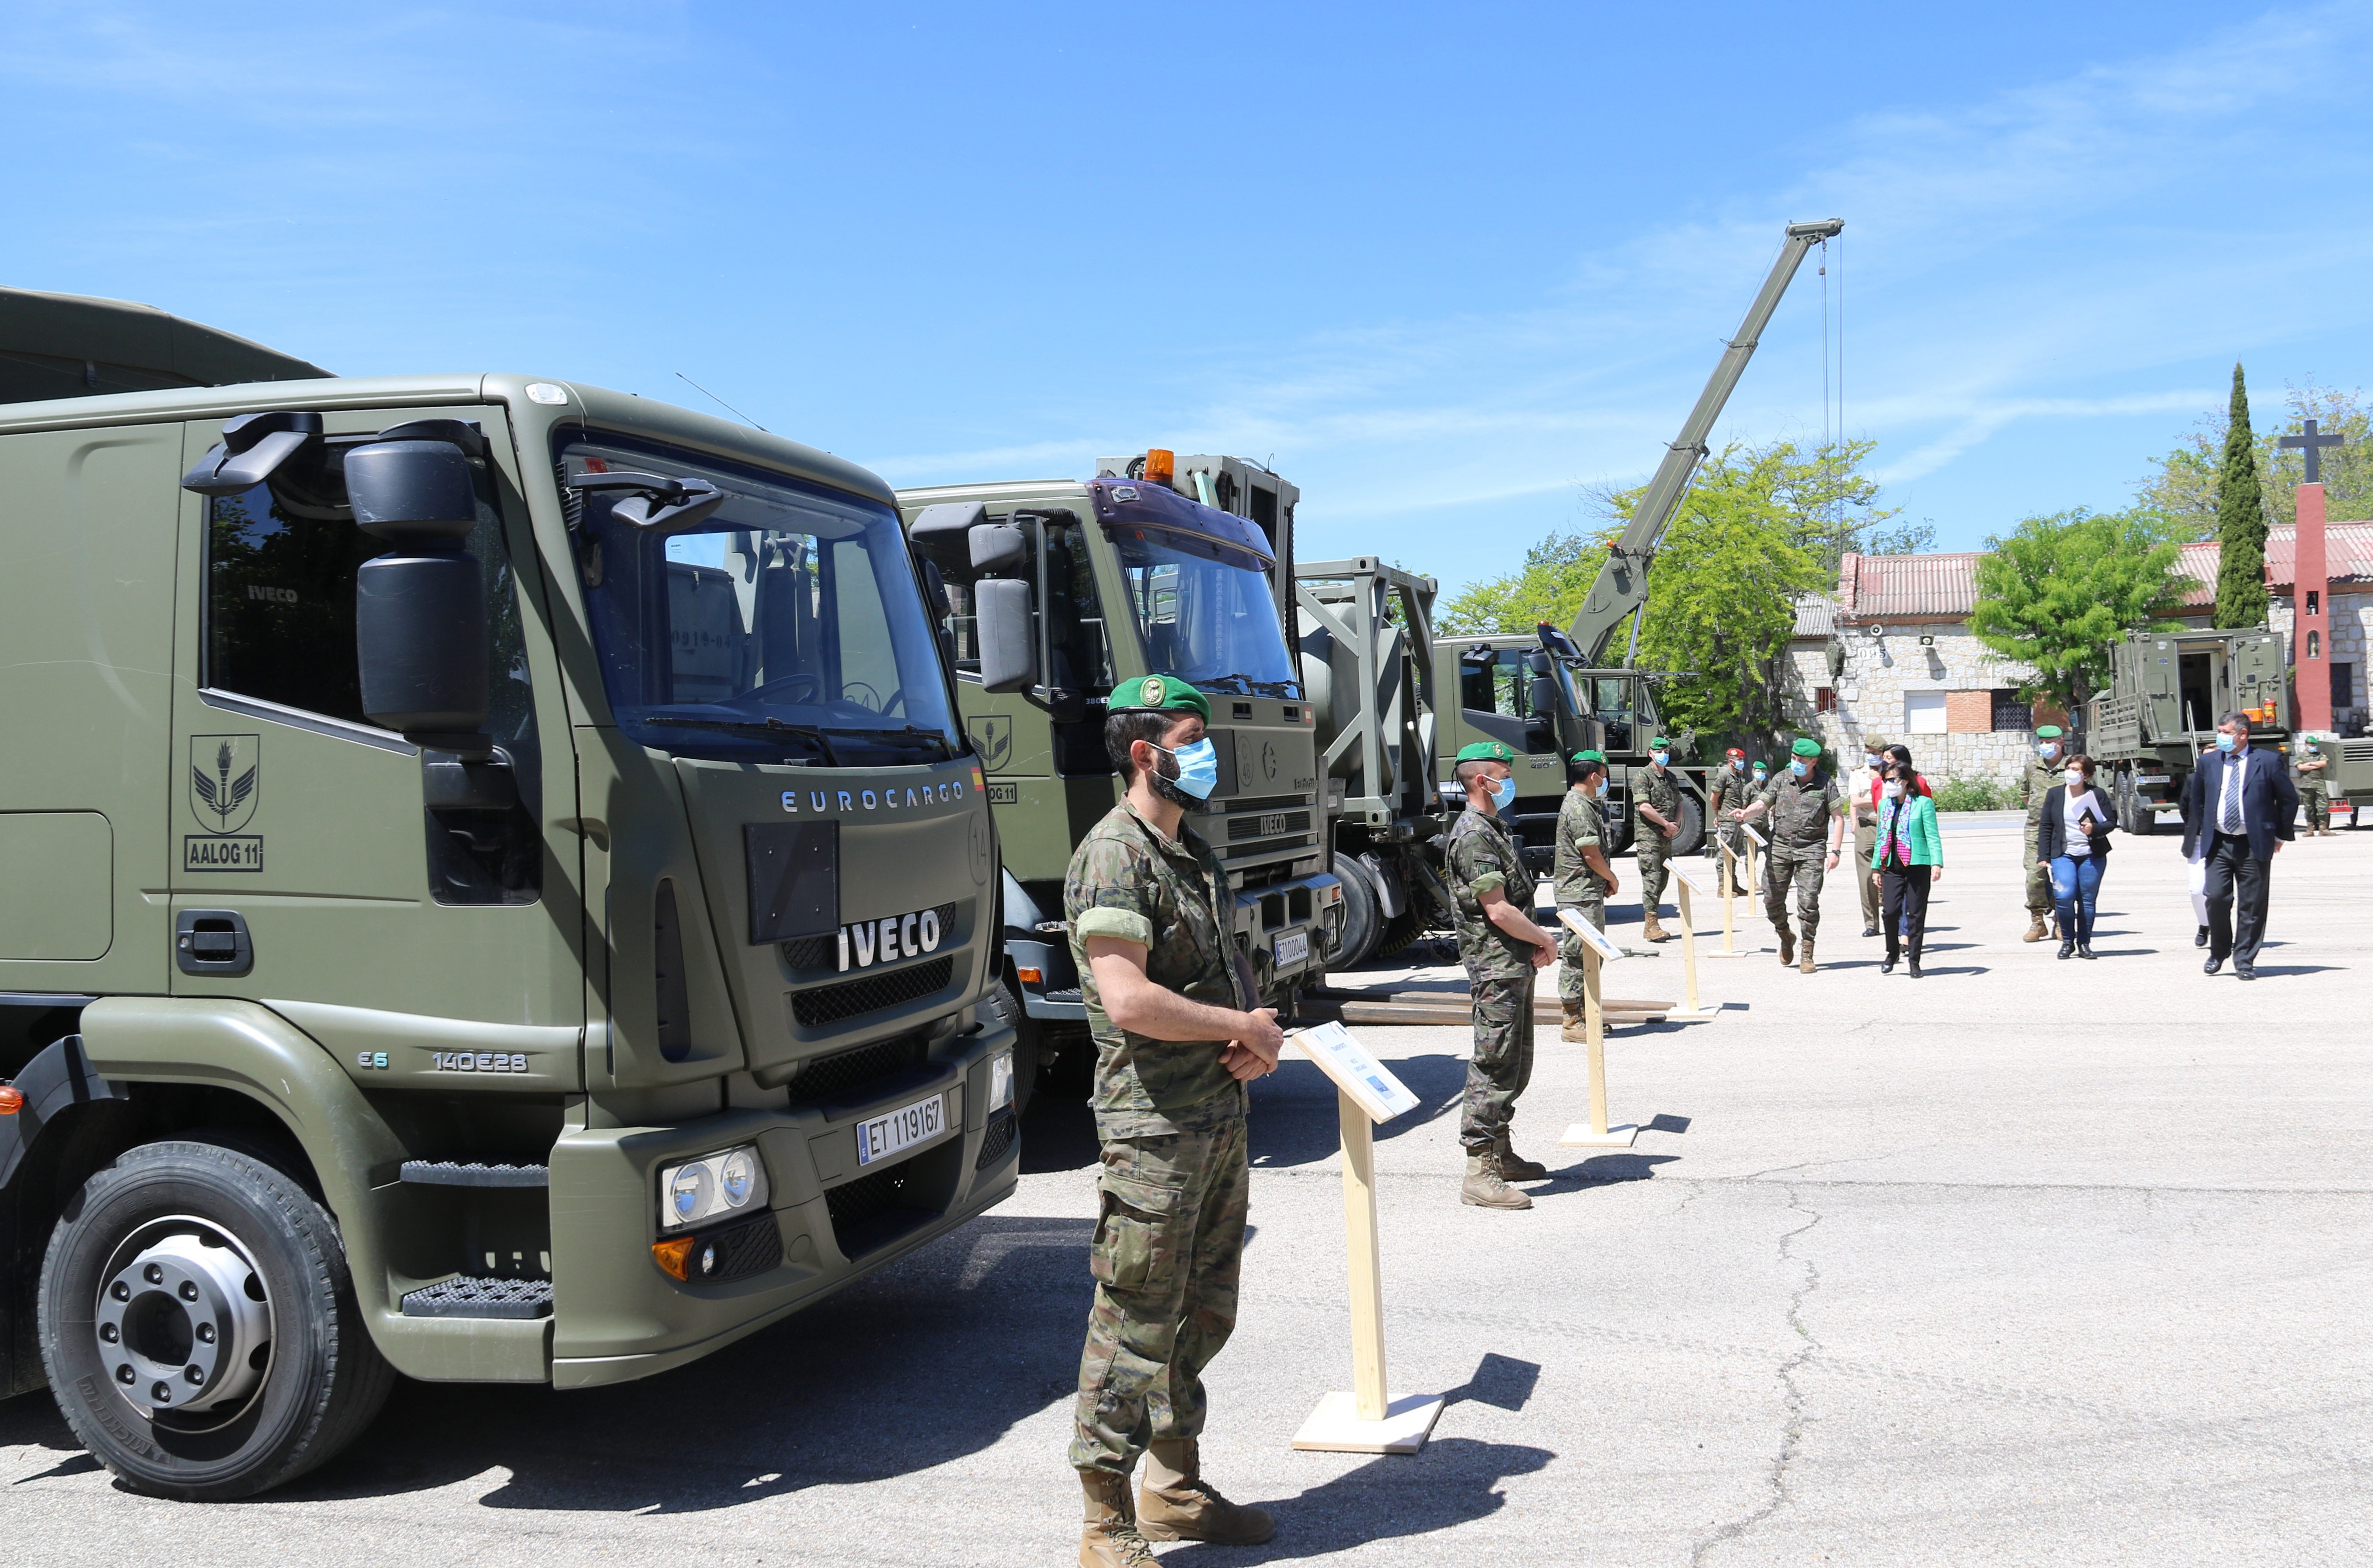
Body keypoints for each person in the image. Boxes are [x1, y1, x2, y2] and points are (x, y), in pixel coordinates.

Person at [1063, 674, 1281, 1563]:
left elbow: (1220, 974)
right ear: (1148, 753)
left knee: (1202, 1310)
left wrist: (1254, 1037)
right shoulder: (1113, 854)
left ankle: (1175, 1488)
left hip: (1212, 1117)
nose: (1208, 753)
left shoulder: (1190, 852)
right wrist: (1238, 1026)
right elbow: (1127, 998)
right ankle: (1104, 1519)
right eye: (1193, 738)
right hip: (1151, 1127)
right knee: (1134, 1317)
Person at [1444, 739, 1561, 1209]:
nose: (1508, 782)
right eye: (1502, 774)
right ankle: (1478, 1171)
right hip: (1496, 968)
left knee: (1516, 1063)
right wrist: (1545, 939)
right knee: (1493, 1066)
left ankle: (1500, 1151)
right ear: (1480, 781)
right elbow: (1498, 910)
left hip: (1511, 967)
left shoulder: (1492, 828)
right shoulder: (1473, 834)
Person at [2181, 710, 2298, 980]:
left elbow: (2289, 799)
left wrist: (2280, 835)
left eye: (2225, 732)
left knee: (2252, 905)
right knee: (2217, 898)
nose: (2220, 737)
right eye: (2219, 732)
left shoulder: (2268, 761)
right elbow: (2197, 799)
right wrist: (2203, 828)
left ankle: (2244, 959)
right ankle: (2219, 951)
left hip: (2253, 843)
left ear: (2243, 734)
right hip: (2219, 842)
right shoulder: (2208, 762)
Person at [1736, 736, 1845, 974]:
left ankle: (1808, 954)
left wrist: (1835, 851)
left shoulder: (1826, 784)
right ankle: (1786, 935)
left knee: (1808, 903)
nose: (1795, 763)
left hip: (1811, 849)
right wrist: (1745, 813)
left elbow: (1838, 818)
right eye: (1793, 758)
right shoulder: (1781, 779)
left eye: (1801, 760)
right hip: (1780, 848)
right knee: (1771, 900)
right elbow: (1763, 804)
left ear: (1814, 761)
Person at [1552, 749, 1619, 1042]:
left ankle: (1585, 1013)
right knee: (1578, 956)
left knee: (1590, 955)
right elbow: (1590, 855)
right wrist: (1611, 877)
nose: (1604, 782)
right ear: (1594, 776)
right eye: (1603, 777)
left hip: (1585, 890)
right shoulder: (1579, 807)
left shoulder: (1583, 803)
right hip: (1578, 893)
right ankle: (1571, 1021)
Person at [2035, 752, 2117, 960]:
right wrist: (2043, 855)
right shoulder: (2055, 794)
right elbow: (2046, 825)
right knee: (2064, 897)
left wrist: (2094, 829)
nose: (2070, 773)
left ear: (2086, 775)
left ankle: (2085, 944)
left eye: (2076, 770)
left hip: (2092, 855)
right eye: (2069, 769)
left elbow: (2110, 822)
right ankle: (2067, 942)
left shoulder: (2096, 794)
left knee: (2087, 901)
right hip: (2064, 855)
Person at [1869, 759, 1943, 975]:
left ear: (1907, 780)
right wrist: (1876, 868)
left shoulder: (1923, 803)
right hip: (1892, 865)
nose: (1890, 784)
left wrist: (1937, 862)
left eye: (1894, 780)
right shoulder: (1885, 805)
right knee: (1890, 911)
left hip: (1917, 864)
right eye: (1886, 780)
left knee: (1916, 914)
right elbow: (1881, 838)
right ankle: (1892, 952)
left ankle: (1914, 960)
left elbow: (1932, 835)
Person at [2020, 724, 2067, 942]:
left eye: (2050, 742)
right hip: (2036, 831)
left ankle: (2061, 921)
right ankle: (2037, 921)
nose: (2045, 746)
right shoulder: (2032, 767)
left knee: (2062, 878)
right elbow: (2025, 795)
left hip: (2064, 832)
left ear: (2061, 742)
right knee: (2034, 878)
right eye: (2042, 742)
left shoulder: (2071, 767)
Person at [1632, 737, 1682, 942]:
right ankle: (1651, 925)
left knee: (1662, 880)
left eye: (1666, 752)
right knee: (1652, 880)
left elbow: (1679, 803)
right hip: (1649, 838)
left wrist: (1674, 826)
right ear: (1651, 753)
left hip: (1666, 837)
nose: (1663, 755)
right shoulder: (1643, 776)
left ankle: (1655, 921)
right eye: (1659, 751)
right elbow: (1644, 806)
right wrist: (1665, 824)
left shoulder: (1671, 778)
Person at [1847, 738, 1891, 938]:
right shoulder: (1857, 772)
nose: (1870, 754)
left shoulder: (1892, 771)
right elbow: (1855, 801)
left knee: (1891, 875)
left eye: (1875, 751)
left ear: (1883, 753)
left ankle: (1893, 918)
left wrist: (1870, 801)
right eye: (1868, 750)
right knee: (1866, 878)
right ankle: (1872, 923)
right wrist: (1880, 799)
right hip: (1866, 828)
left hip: (1889, 827)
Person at [1707, 745, 1754, 886]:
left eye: (1742, 759)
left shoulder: (1738, 775)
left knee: (1735, 853)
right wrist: (1718, 814)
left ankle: (1733, 884)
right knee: (1725, 852)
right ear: (1731, 761)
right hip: (1727, 819)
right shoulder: (1724, 775)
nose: (1741, 762)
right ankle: (1723, 886)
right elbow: (1713, 798)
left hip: (1738, 819)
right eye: (1739, 760)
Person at [2295, 733, 2333, 836]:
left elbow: (2324, 763)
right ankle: (2310, 829)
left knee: (2323, 806)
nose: (2312, 746)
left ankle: (2323, 828)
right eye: (2311, 744)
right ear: (2306, 744)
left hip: (2319, 785)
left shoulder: (2320, 755)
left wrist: (2309, 764)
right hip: (2306, 785)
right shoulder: (2300, 756)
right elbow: (2301, 768)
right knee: (2309, 808)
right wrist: (2315, 765)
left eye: (2314, 745)